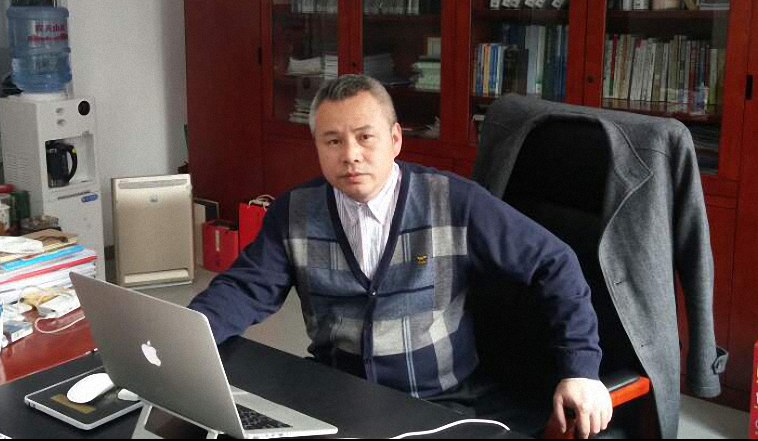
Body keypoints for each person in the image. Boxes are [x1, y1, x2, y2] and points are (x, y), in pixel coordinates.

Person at [189, 74, 613, 439]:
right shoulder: (294, 211)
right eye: (333, 141)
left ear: (395, 139)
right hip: (334, 389)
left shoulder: (454, 202)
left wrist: (581, 368)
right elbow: (245, 288)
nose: (350, 155)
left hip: (437, 401)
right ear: (316, 145)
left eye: (365, 137)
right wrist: (186, 336)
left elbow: (554, 262)